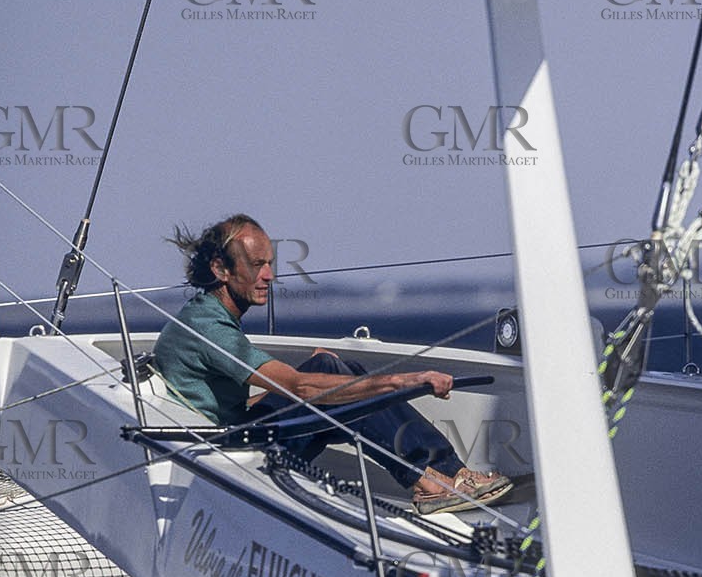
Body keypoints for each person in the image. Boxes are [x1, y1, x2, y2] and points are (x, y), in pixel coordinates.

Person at [153, 214, 512, 515]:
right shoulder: (209, 328)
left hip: (233, 433)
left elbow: (230, 404)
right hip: (229, 458)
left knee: (328, 366)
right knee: (332, 380)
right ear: (221, 269)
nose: (269, 276)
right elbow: (298, 387)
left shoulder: (205, 314)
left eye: (269, 264)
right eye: (256, 265)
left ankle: (445, 474)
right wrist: (406, 381)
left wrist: (318, 371)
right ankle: (434, 482)